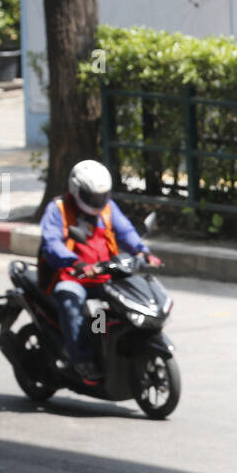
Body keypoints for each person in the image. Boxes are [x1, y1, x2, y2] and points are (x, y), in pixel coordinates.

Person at [38, 159, 162, 381]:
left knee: (117, 307)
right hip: (72, 276)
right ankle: (80, 358)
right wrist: (76, 263)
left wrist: (143, 252)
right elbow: (51, 243)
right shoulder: (58, 210)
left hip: (104, 274)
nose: (98, 201)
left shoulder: (107, 208)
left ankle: (111, 349)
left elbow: (126, 231)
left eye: (101, 195)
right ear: (77, 190)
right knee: (70, 302)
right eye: (93, 196)